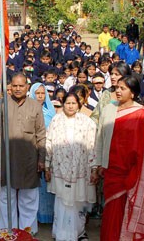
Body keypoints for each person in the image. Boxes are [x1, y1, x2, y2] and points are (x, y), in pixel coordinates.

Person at [91, 76, 144, 240]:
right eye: (117, 87)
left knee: (129, 209)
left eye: (123, 88)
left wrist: (137, 171)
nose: (118, 91)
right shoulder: (108, 110)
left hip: (133, 172)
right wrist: (98, 163)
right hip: (111, 170)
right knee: (112, 211)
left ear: (133, 93)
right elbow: (100, 138)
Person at [0, 73, 46, 235]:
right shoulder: (2, 104)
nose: (18, 89)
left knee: (28, 197)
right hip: (6, 158)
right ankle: (5, 231)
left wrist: (42, 159)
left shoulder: (35, 106)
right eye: (15, 86)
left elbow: (41, 134)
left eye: (21, 86)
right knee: (6, 197)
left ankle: (27, 232)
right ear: (10, 87)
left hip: (29, 159)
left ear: (27, 87)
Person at [45, 92, 97, 241]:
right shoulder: (56, 120)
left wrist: (94, 168)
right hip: (60, 170)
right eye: (68, 103)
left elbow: (93, 145)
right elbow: (49, 143)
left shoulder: (87, 122)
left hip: (81, 170)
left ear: (79, 105)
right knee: (61, 202)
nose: (70, 106)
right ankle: (60, 233)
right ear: (63, 103)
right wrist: (47, 166)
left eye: (74, 103)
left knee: (78, 202)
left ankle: (79, 233)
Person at [29, 82, 56, 224]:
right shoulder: (28, 110)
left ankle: (47, 215)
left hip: (48, 150)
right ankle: (34, 216)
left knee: (47, 183)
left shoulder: (50, 111)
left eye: (42, 93)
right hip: (32, 151)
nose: (40, 96)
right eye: (37, 94)